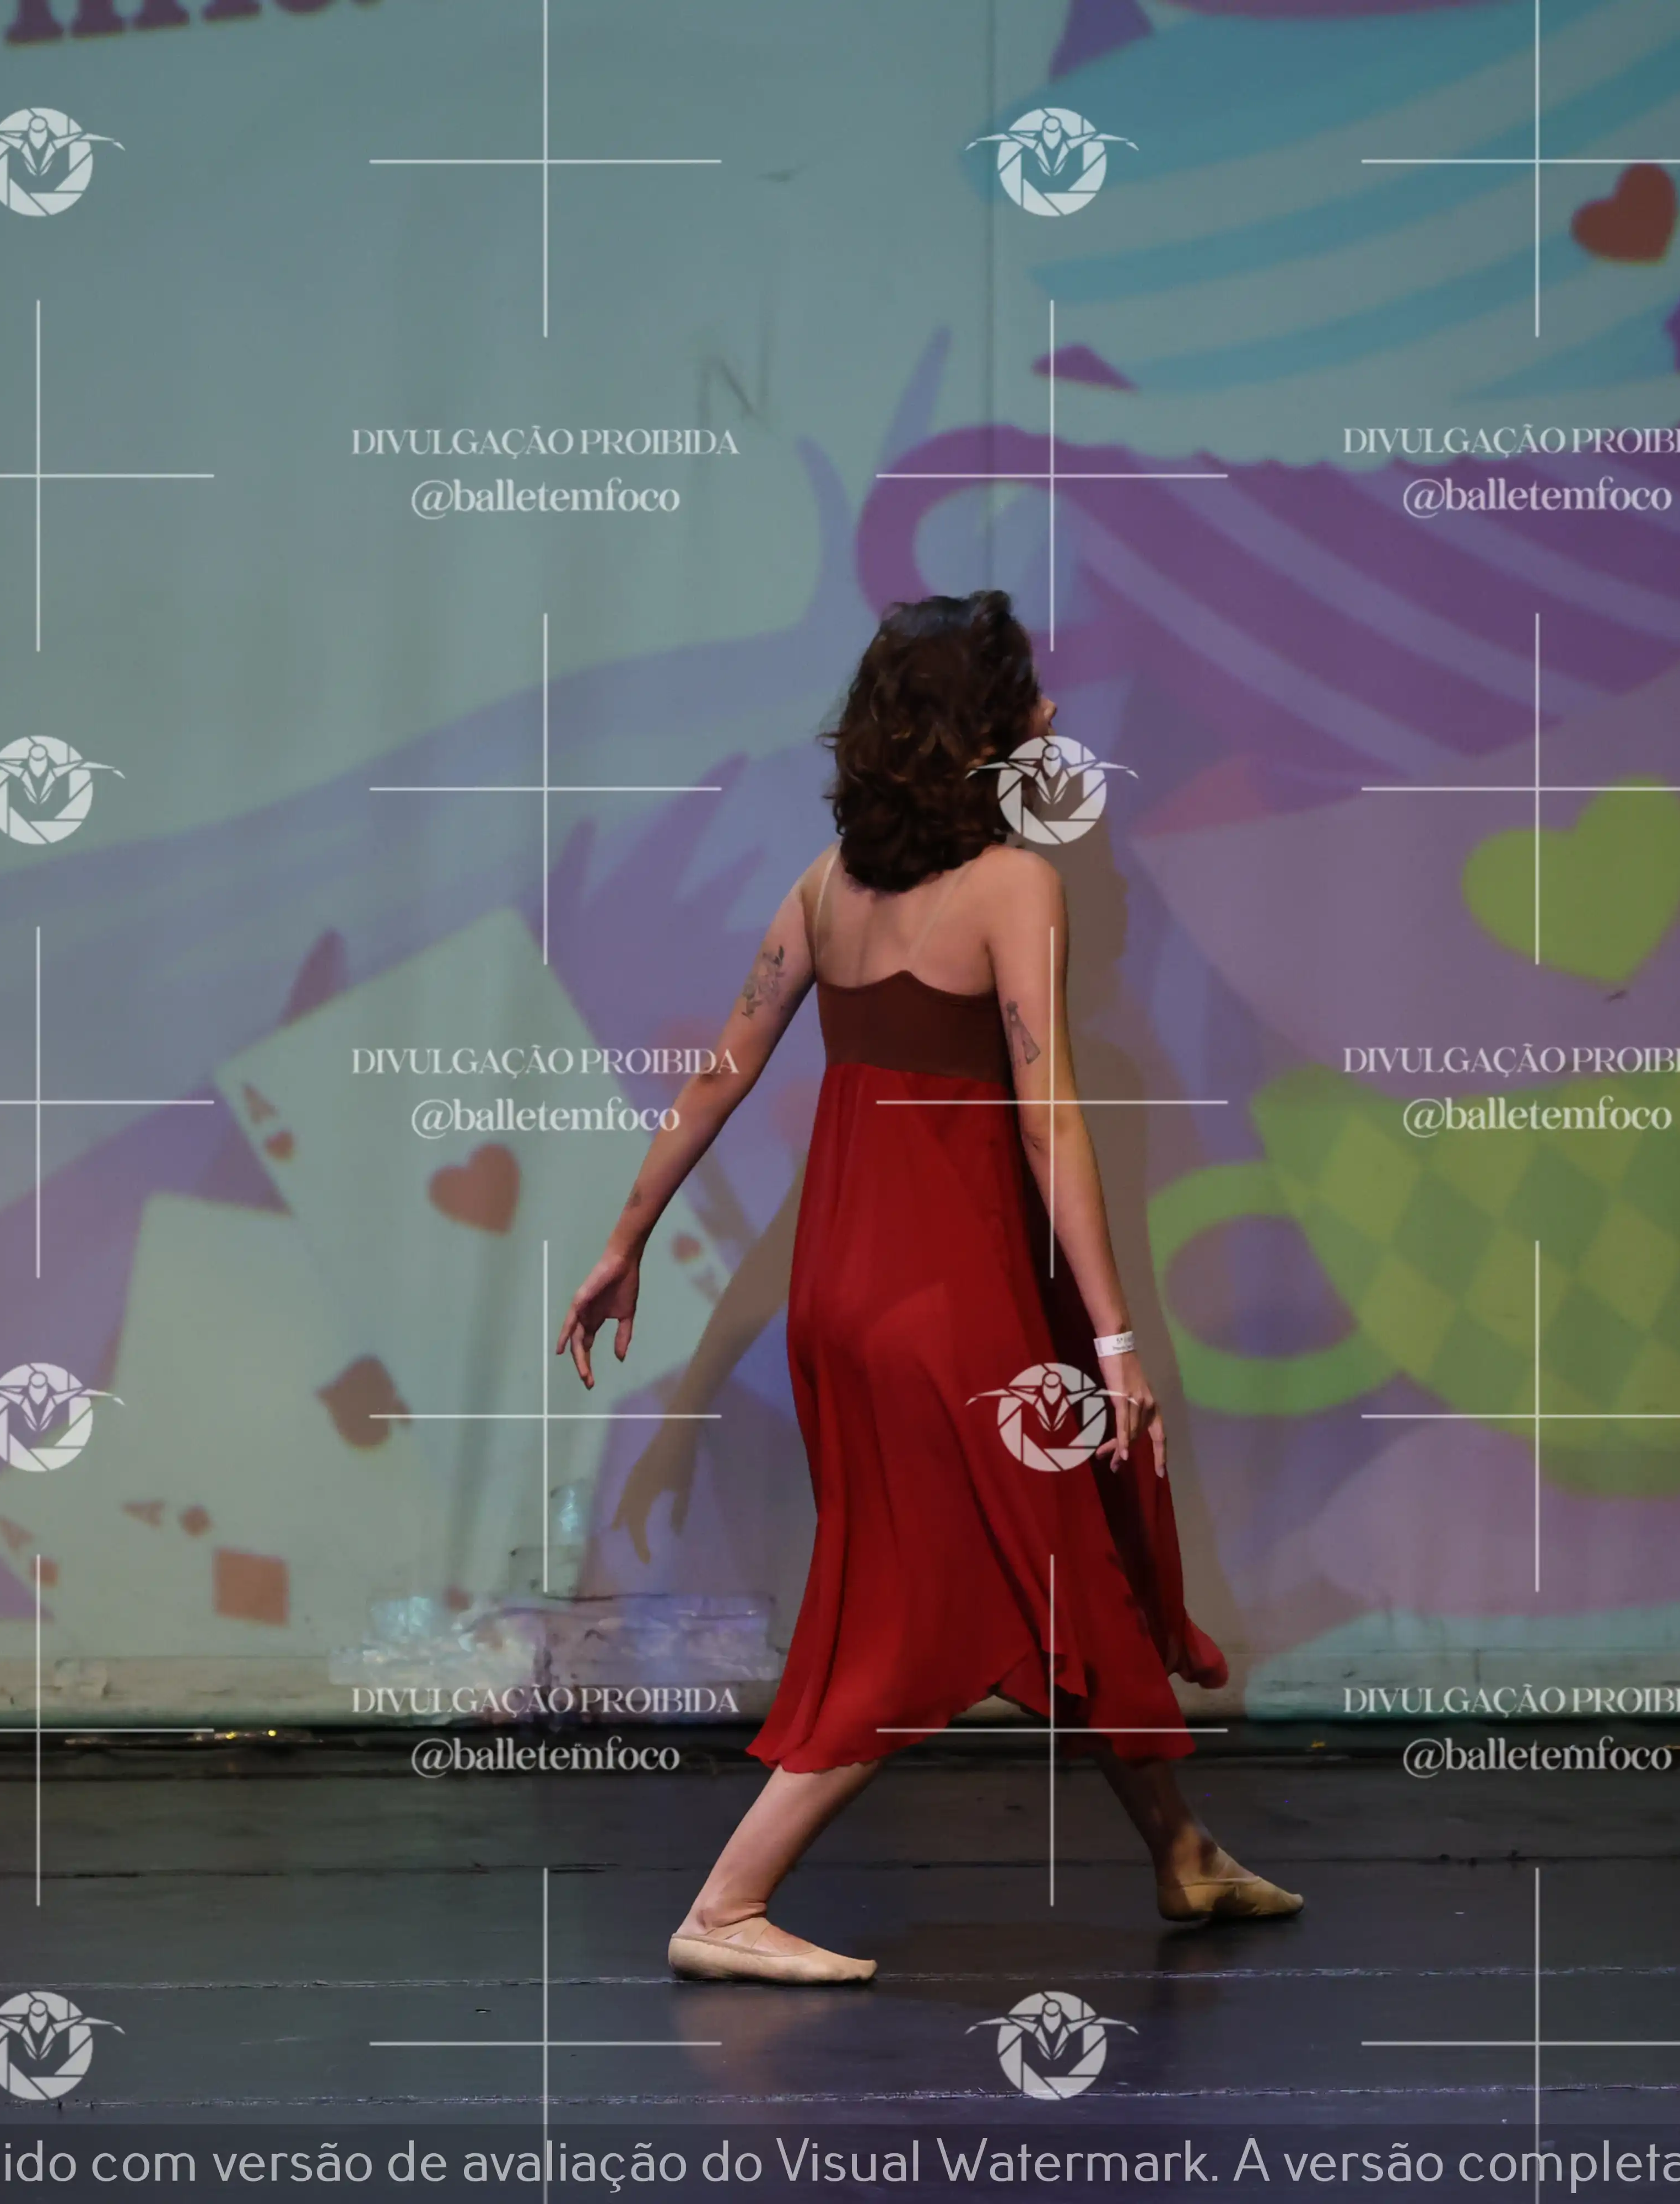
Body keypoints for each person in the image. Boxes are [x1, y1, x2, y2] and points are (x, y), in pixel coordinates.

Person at [557, 589, 1301, 1986]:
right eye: (1027, 694)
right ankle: (728, 1901)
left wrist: (624, 1237)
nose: (1054, 712)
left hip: (849, 1302)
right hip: (946, 1314)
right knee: (918, 1617)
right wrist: (1119, 1338)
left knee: (1063, 1566)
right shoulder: (1016, 886)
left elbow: (719, 1073)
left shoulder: (823, 889)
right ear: (979, 728)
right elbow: (1048, 1118)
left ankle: (1182, 1850)